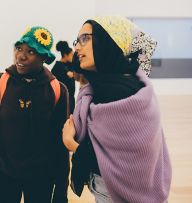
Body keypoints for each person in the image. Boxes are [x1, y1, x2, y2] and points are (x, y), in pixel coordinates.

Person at [62, 16, 172, 203]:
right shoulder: (128, 82)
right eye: (77, 41)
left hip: (114, 192)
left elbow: (111, 163)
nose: (77, 47)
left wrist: (69, 142)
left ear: (107, 42)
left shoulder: (114, 91)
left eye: (85, 38)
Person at [0, 26, 70, 203]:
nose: (21, 56)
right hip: (6, 172)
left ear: (43, 58)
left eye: (31, 51)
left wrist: (61, 189)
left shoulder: (57, 90)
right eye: (19, 48)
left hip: (42, 176)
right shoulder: (0, 82)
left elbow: (61, 143)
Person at [51, 41, 75, 113]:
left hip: (70, 101)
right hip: (61, 103)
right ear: (65, 55)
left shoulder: (70, 66)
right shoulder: (57, 68)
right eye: (71, 55)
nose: (73, 57)